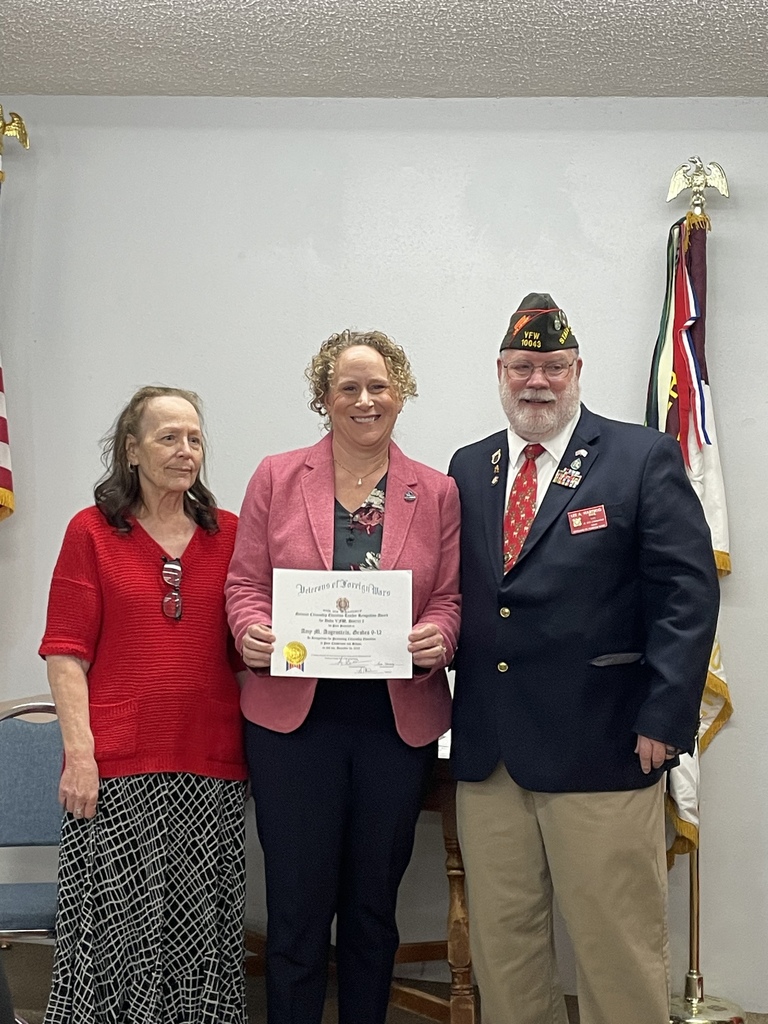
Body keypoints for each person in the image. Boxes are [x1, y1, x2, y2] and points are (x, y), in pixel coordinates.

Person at [448, 294, 720, 1024]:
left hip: (605, 745)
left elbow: (687, 596)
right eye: (522, 367)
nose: (537, 382)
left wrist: (666, 715)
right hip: (490, 755)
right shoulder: (470, 466)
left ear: (577, 371)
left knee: (615, 950)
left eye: (554, 367)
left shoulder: (640, 456)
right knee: (504, 953)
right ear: (500, 372)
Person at [225, 329, 461, 1024]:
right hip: (293, 726)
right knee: (297, 907)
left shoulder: (438, 491)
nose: (365, 400)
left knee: (371, 906)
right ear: (324, 398)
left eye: (378, 386)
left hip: (395, 724)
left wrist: (439, 637)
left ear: (401, 393)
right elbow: (244, 583)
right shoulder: (276, 477)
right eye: (348, 387)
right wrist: (250, 629)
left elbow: (450, 597)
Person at [39, 386, 248, 1024]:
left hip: (208, 767)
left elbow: (248, 647)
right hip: (115, 771)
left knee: (199, 936)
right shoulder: (90, 532)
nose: (186, 451)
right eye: (168, 437)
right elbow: (65, 653)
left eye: (195, 438)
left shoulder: (231, 534)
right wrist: (80, 756)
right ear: (131, 450)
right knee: (112, 937)